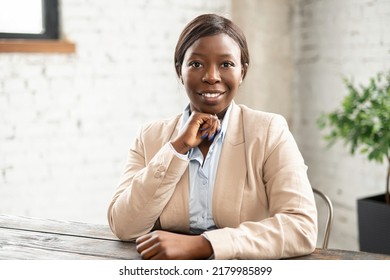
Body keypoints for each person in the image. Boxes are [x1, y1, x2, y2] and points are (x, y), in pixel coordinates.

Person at [107, 13, 317, 260]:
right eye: (196, 64)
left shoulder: (269, 131)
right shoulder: (150, 136)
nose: (211, 76)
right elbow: (124, 226)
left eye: (226, 64)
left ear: (242, 72)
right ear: (179, 70)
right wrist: (177, 148)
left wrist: (205, 245)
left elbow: (301, 228)